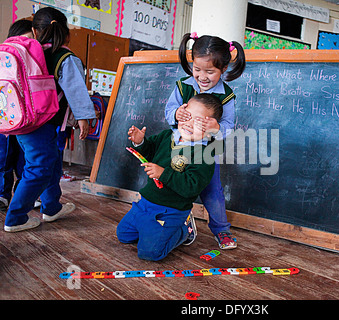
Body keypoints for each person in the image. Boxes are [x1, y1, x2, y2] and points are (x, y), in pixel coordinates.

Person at [3, 7, 96, 232]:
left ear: (35, 30)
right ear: (66, 33)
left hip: (21, 121)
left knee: (50, 162)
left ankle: (51, 207)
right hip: (41, 123)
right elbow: (76, 90)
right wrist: (84, 117)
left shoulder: (30, 53)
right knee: (40, 168)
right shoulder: (65, 57)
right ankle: (15, 218)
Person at [117, 94, 223, 261]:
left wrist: (162, 173)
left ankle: (183, 230)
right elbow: (149, 150)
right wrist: (140, 142)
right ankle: (152, 230)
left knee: (150, 253)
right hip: (145, 203)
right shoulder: (168, 136)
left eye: (197, 122)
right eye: (186, 116)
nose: (188, 124)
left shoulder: (204, 155)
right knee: (123, 235)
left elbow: (191, 187)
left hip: (170, 211)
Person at [165, 32, 246, 249]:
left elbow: (229, 126)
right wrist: (176, 114)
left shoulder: (226, 96)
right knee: (175, 186)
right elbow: (168, 111)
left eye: (210, 71)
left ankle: (222, 230)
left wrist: (216, 127)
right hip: (179, 148)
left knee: (213, 192)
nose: (202, 76)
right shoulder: (183, 86)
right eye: (197, 69)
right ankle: (181, 223)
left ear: (223, 69)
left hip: (207, 153)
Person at [0, 19, 32, 213]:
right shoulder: (4, 57)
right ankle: (3, 195)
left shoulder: (33, 60)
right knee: (3, 159)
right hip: (4, 119)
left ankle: (24, 196)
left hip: (25, 120)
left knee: (24, 161)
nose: (26, 45)